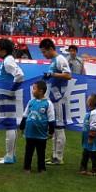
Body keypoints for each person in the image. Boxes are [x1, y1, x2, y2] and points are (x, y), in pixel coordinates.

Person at [40, 38, 72, 166]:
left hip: (59, 99)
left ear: (50, 49)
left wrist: (52, 74)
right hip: (53, 98)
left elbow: (68, 75)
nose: (43, 55)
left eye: (44, 52)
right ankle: (54, 156)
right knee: (53, 127)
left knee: (59, 127)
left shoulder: (60, 59)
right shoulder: (54, 61)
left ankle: (59, 157)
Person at [0, 38, 24, 165]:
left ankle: (10, 156)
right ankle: (10, 155)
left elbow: (20, 75)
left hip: (7, 95)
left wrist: (11, 91)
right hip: (5, 95)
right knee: (9, 124)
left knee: (10, 124)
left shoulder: (8, 61)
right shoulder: (7, 60)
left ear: (4, 50)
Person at [19, 80, 55, 174]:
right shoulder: (31, 102)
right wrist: (22, 127)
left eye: (34, 89)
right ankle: (27, 168)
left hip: (41, 133)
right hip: (30, 132)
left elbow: (51, 118)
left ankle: (41, 168)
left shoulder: (48, 103)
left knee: (41, 152)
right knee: (28, 151)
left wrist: (51, 131)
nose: (32, 91)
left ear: (41, 91)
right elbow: (25, 115)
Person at [79, 94, 96, 176]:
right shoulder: (89, 112)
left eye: (88, 99)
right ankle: (83, 168)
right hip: (87, 138)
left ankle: (95, 170)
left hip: (91, 138)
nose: (87, 101)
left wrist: (91, 137)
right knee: (86, 153)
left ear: (90, 102)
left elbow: (94, 126)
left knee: (92, 154)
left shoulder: (94, 113)